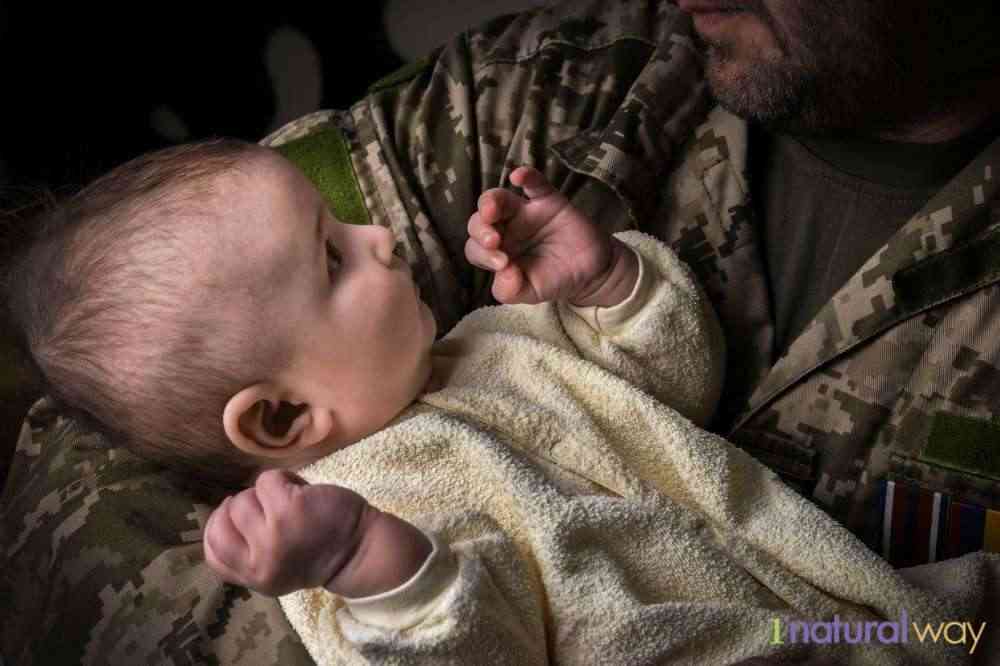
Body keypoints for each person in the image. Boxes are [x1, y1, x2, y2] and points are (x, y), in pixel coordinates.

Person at [4, 0, 1000, 662]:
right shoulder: (355, 519)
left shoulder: (488, 350)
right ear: (277, 421)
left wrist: (608, 284)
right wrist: (376, 567)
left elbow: (666, 383)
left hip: (810, 608)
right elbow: (468, 650)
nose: (386, 240)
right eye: (334, 259)